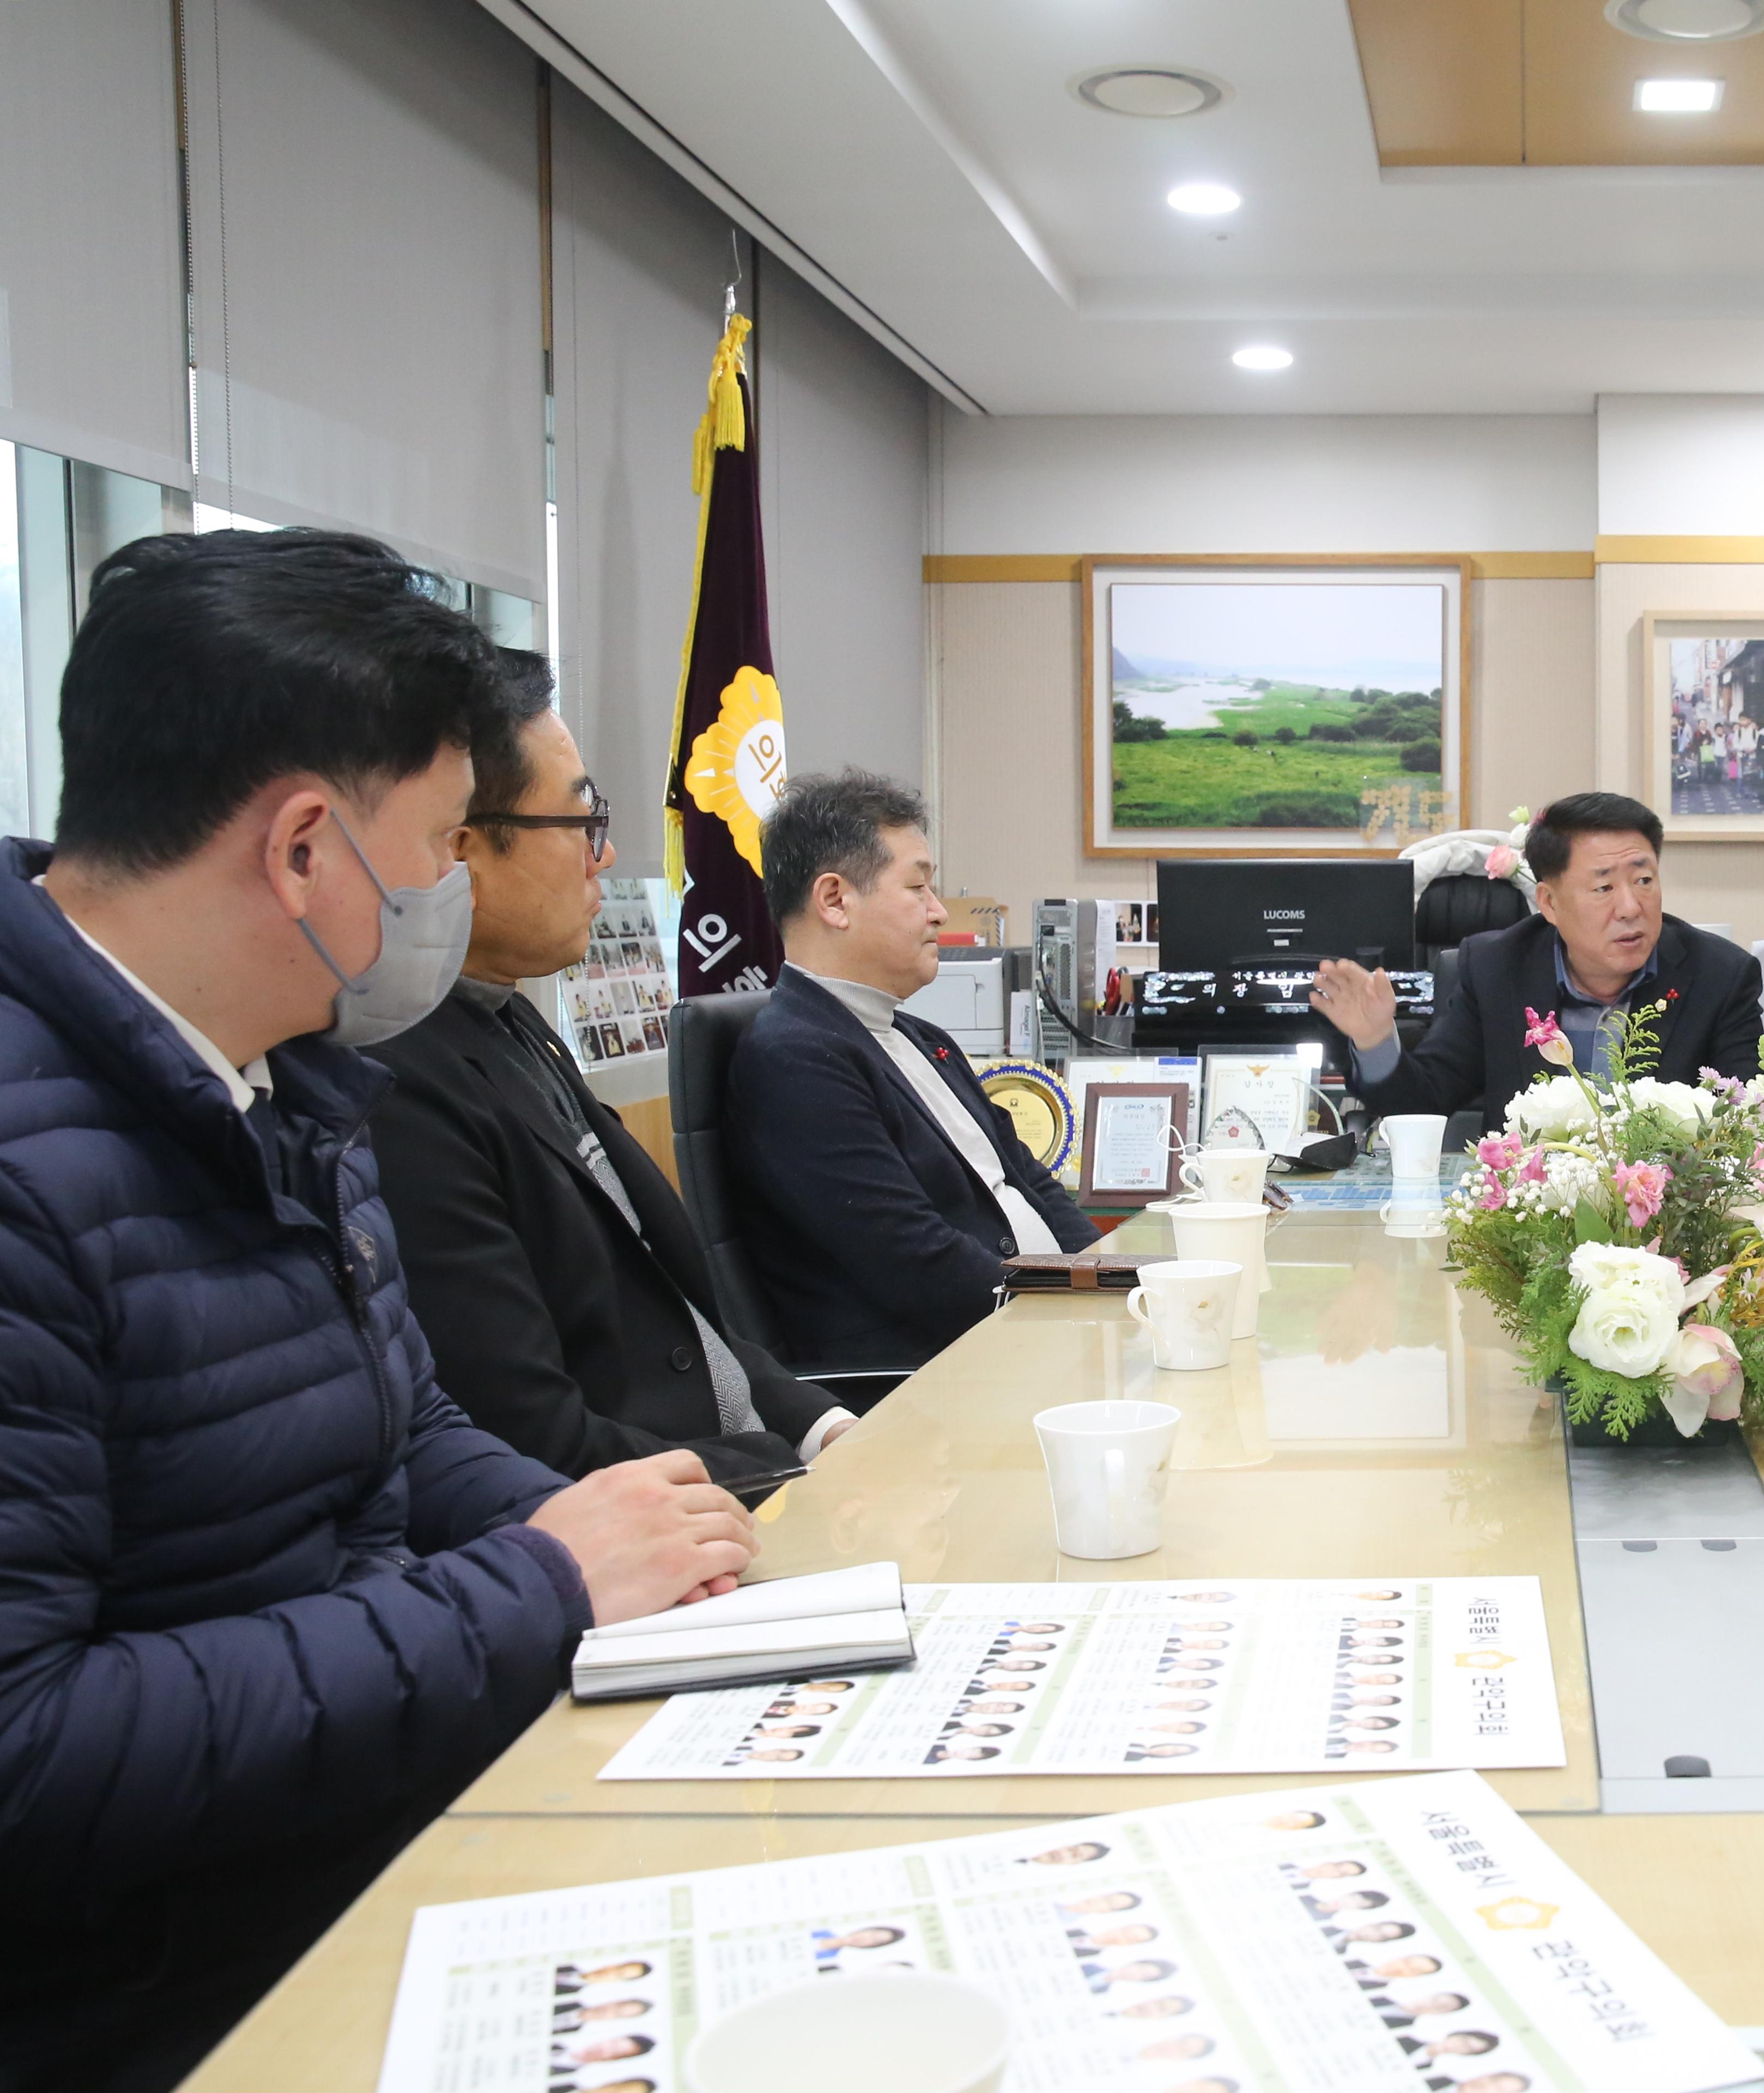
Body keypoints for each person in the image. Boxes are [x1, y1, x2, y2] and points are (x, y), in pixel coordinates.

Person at [0, 530, 757, 2091]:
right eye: (430, 845)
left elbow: (398, 1429)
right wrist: (546, 1585)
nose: (442, 891)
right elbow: (30, 1747)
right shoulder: (34, 1167)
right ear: (299, 851)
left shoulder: (283, 1078)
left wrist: (630, 1529)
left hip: (372, 1837)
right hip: (188, 1995)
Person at [364, 664, 851, 1486]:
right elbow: (533, 1436)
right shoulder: (403, 1081)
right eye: (584, 821)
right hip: (656, 1517)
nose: (609, 854)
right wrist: (790, 1475)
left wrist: (827, 1432)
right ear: (459, 844)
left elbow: (688, 1313)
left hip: (742, 1462)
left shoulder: (511, 1020)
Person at [727, 770, 1095, 1367]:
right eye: (918, 889)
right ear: (834, 900)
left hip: (1042, 1334)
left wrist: (1112, 1283)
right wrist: (1067, 1312)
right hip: (947, 1372)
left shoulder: (923, 1038)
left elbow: (1032, 1183)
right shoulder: (795, 1058)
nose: (937, 912)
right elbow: (914, 1261)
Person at [1310, 793, 1764, 1132]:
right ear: (1548, 902)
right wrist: (1373, 1041)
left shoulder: (1720, 975)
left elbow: (1753, 1121)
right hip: (1528, 1222)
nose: (1631, 907)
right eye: (1604, 888)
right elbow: (1423, 1102)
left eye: (1644, 880)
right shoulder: (1496, 968)